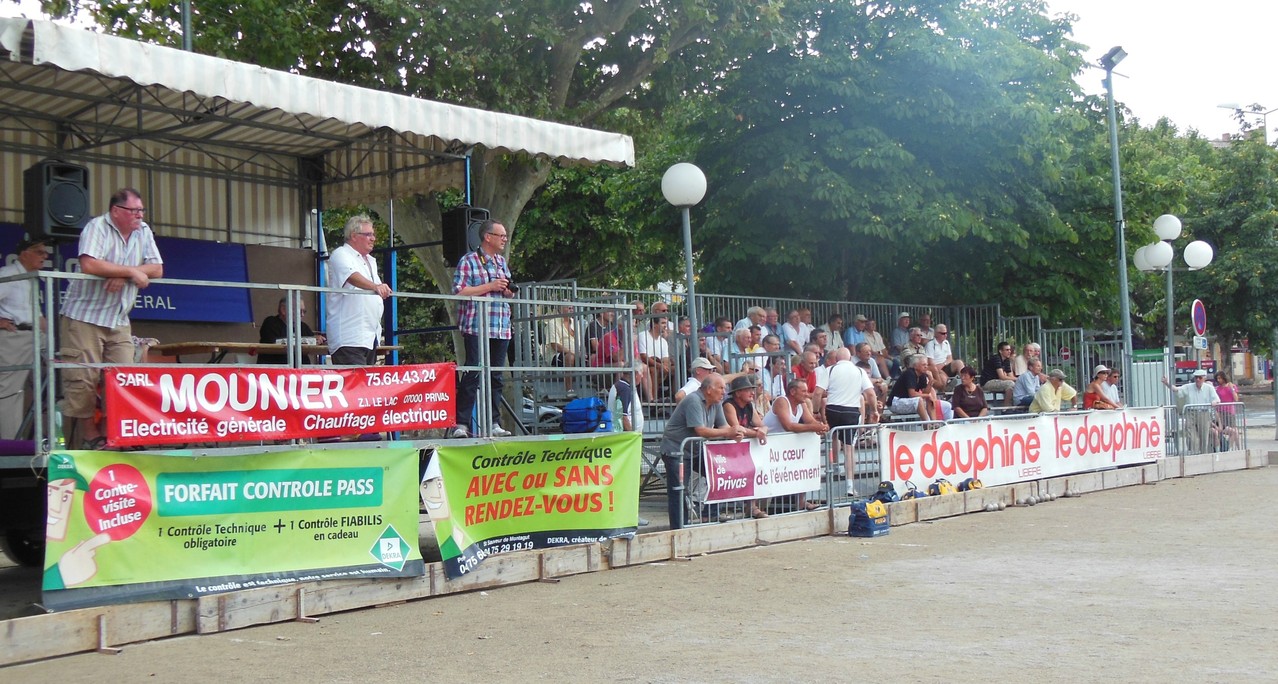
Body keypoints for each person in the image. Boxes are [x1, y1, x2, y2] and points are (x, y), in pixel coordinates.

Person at [61, 188, 163, 449]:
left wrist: (125, 273)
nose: (139, 215)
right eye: (134, 211)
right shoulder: (97, 227)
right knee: (83, 378)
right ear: (116, 211)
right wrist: (130, 271)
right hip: (84, 316)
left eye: (141, 210)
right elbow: (90, 265)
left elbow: (157, 268)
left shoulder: (144, 230)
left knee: (123, 377)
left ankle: (112, 433)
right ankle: (88, 433)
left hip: (118, 318)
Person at [452, 219, 515, 438]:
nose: (505, 240)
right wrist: (490, 286)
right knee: (473, 374)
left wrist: (508, 291)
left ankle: (494, 423)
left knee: (496, 377)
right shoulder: (468, 260)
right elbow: (459, 292)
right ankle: (461, 423)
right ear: (488, 237)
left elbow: (506, 288)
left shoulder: (500, 261)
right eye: (501, 236)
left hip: (500, 326)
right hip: (477, 327)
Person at [661, 374, 746, 528]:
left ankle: (709, 514)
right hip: (676, 451)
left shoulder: (716, 402)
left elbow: (723, 426)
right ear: (708, 389)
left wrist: (736, 432)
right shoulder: (693, 400)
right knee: (679, 491)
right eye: (720, 388)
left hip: (694, 449)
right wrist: (728, 433)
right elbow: (700, 430)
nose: (724, 392)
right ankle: (679, 529)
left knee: (719, 475)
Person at [326, 214, 392, 365]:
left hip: (369, 337)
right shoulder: (340, 254)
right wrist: (376, 286)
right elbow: (351, 276)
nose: (373, 238)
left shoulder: (370, 260)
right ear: (354, 236)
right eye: (368, 234)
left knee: (365, 385)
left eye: (373, 234)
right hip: (349, 337)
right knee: (355, 385)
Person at [0, 237, 49, 439]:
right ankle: (10, 445)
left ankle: (45, 437)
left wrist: (54, 339)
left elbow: (36, 315)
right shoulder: (8, 274)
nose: (44, 256)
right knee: (10, 392)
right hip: (16, 336)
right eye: (39, 252)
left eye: (45, 253)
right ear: (24, 254)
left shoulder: (31, 278)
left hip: (37, 336)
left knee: (60, 381)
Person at [820, 348, 879, 495]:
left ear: (837, 359)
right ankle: (850, 485)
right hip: (850, 411)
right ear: (850, 358)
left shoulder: (830, 370)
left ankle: (833, 466)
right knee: (849, 448)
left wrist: (815, 411)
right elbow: (870, 393)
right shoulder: (859, 371)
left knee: (833, 436)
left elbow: (817, 392)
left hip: (832, 409)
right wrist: (875, 411)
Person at [763, 378, 828, 512]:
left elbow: (810, 420)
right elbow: (788, 425)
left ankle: (801, 502)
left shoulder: (801, 404)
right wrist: (813, 428)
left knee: (800, 469)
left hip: (784, 447)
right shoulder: (782, 401)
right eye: (803, 391)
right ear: (792, 391)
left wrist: (821, 426)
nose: (806, 394)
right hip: (769, 447)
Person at [722, 375, 770, 519]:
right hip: (726, 449)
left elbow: (762, 425)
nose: (752, 393)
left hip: (742, 447)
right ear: (737, 393)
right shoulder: (729, 405)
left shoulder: (749, 406)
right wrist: (757, 433)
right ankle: (720, 509)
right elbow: (736, 428)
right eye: (748, 390)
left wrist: (762, 431)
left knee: (753, 472)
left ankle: (752, 507)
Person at [607, 370, 650, 526]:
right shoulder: (624, 388)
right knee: (631, 479)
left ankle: (629, 514)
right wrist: (632, 436)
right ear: (636, 374)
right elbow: (623, 415)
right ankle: (631, 515)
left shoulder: (621, 386)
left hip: (625, 440)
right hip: (627, 442)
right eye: (642, 374)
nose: (643, 377)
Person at [1161, 369, 1219, 453]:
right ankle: (1195, 454)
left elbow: (1217, 399)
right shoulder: (1189, 386)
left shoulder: (1209, 388)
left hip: (1204, 412)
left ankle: (1203, 454)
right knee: (1192, 436)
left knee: (1204, 436)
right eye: (1196, 378)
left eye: (1200, 378)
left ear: (1204, 378)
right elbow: (1176, 389)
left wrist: (1214, 402)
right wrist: (1167, 383)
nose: (1197, 380)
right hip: (1191, 413)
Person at [258, 297, 324, 365]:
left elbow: (312, 343)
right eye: (299, 311)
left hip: (301, 371)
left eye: (304, 311)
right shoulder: (270, 322)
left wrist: (318, 340)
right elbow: (276, 342)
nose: (302, 315)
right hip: (276, 369)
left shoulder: (303, 326)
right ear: (283, 310)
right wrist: (309, 340)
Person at [888, 354, 943, 421]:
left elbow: (925, 392)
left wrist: (931, 381)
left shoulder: (922, 375)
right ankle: (927, 424)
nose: (926, 367)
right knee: (919, 400)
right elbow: (912, 394)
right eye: (923, 365)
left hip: (907, 401)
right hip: (895, 402)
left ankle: (934, 423)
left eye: (926, 365)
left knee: (929, 400)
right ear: (915, 366)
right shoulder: (909, 373)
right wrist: (927, 395)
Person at [923, 323, 964, 390]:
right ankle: (948, 389)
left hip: (945, 365)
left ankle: (965, 381)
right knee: (942, 377)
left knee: (959, 362)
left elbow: (950, 358)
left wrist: (943, 364)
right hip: (936, 368)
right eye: (943, 333)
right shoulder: (930, 345)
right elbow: (930, 362)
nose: (945, 335)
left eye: (946, 333)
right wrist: (940, 368)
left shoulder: (946, 342)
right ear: (936, 334)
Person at [979, 341, 1018, 406]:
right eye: (1007, 350)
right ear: (1000, 351)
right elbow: (1002, 377)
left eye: (1010, 350)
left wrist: (1017, 380)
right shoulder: (996, 358)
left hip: (997, 381)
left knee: (1014, 384)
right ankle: (1006, 408)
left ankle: (1011, 406)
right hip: (987, 382)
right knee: (1010, 384)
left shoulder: (1006, 360)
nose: (1009, 351)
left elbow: (1011, 376)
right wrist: (1017, 379)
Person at [1214, 371, 1240, 450]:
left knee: (1235, 430)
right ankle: (1229, 448)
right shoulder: (1218, 388)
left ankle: (1235, 447)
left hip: (1229, 411)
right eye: (1217, 378)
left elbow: (1236, 399)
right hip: (1220, 411)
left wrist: (1232, 389)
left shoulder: (1231, 386)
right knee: (1232, 431)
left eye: (1220, 378)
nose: (1218, 380)